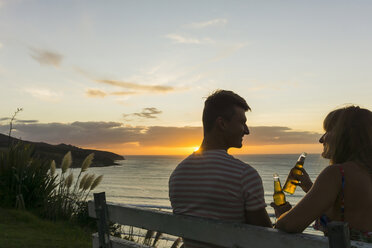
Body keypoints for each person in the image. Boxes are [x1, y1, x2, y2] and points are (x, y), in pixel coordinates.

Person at [169, 90, 272, 247]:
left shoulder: (178, 174)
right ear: (222, 124)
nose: (247, 130)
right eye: (242, 122)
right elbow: (265, 238)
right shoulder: (244, 175)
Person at [272, 105, 372, 243]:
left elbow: (288, 225)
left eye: (328, 130)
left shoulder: (338, 173)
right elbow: (352, 211)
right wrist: (310, 188)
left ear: (345, 135)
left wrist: (282, 213)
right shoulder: (364, 173)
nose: (321, 139)